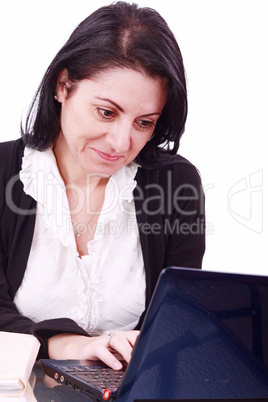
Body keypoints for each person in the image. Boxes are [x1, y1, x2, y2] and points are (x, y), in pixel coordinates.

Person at [0, 1, 205, 370]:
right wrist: (67, 344)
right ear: (64, 86)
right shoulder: (1, 172)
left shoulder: (176, 183)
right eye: (107, 112)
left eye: (144, 122)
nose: (121, 143)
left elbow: (178, 317)